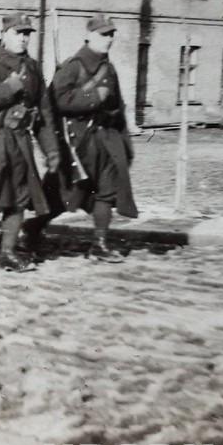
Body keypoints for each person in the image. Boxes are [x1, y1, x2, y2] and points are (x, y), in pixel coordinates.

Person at [0, 13, 60, 271]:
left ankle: (7, 252)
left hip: (22, 140)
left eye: (27, 34)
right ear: (5, 35)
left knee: (20, 196)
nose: (23, 38)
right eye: (18, 33)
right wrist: (8, 89)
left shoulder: (33, 68)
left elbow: (43, 111)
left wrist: (51, 149)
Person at [50, 15, 137, 261]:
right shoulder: (73, 65)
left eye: (111, 35)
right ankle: (34, 228)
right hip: (81, 141)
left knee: (107, 191)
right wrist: (93, 98)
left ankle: (99, 244)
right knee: (68, 194)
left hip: (107, 137)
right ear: (89, 35)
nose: (108, 39)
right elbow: (57, 101)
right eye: (103, 34)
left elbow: (118, 105)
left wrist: (125, 141)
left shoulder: (109, 68)